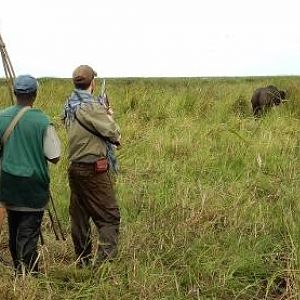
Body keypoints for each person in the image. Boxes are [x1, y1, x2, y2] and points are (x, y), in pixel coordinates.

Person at [0, 75, 61, 275]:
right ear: (35, 94)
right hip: (33, 186)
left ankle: (20, 271)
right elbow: (54, 156)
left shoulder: (2, 117)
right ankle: (29, 275)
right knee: (28, 232)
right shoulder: (42, 120)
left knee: (14, 226)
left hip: (7, 183)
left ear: (16, 94)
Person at [63, 65, 121, 267]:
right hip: (94, 169)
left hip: (75, 168)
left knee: (80, 217)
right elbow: (114, 134)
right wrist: (109, 115)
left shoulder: (70, 104)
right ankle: (103, 267)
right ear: (93, 83)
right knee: (109, 218)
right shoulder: (93, 107)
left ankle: (83, 260)